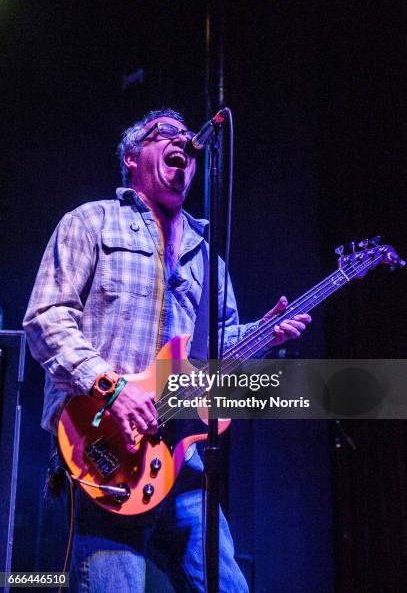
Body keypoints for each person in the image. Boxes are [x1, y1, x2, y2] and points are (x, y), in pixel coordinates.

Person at [23, 108, 311, 592]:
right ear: (132, 158)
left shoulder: (207, 253)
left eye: (187, 139)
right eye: (167, 135)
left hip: (177, 455)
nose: (184, 143)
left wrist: (264, 332)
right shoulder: (91, 222)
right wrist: (111, 387)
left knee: (230, 587)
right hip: (100, 445)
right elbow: (46, 318)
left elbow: (212, 352)